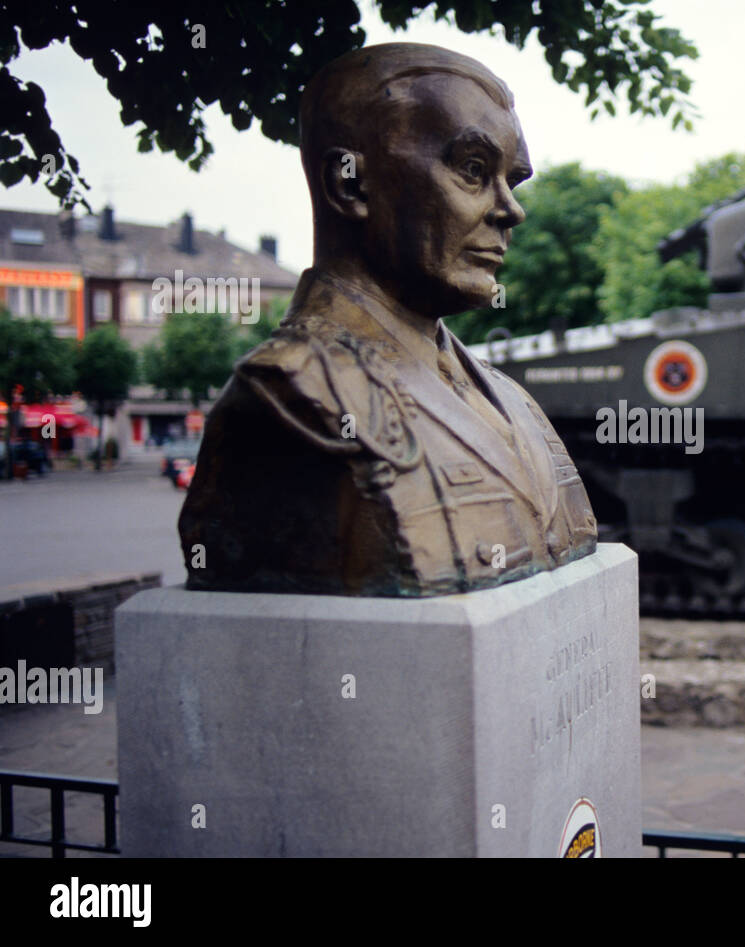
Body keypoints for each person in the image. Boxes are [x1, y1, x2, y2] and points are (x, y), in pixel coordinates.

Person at [179, 43, 597, 596]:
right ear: (350, 184)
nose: (511, 209)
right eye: (473, 170)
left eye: (511, 181)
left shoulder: (509, 397)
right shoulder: (289, 396)